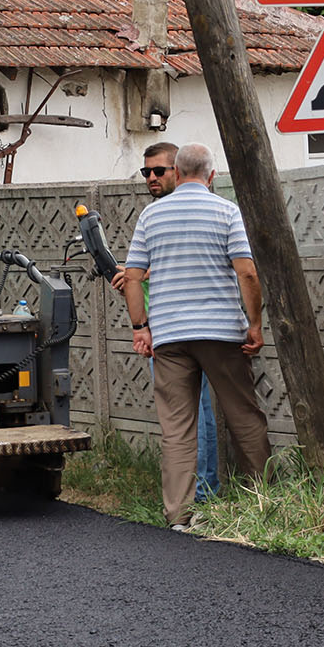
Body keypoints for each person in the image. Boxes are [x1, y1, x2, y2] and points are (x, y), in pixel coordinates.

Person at [120, 141, 271, 532]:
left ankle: (179, 517)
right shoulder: (226, 211)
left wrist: (141, 328)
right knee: (245, 419)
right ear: (211, 175)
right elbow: (248, 273)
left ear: (178, 172)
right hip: (222, 333)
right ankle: (264, 506)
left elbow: (133, 277)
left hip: (170, 337)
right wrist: (254, 325)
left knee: (177, 428)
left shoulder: (151, 217)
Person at [113, 143, 222, 501]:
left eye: (159, 171)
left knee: (189, 414)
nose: (152, 178)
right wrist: (132, 278)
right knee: (194, 411)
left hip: (180, 328)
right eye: (146, 173)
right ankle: (202, 490)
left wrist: (140, 279)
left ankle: (201, 493)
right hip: (171, 326)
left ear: (179, 170)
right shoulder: (156, 213)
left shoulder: (185, 212)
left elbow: (194, 267)